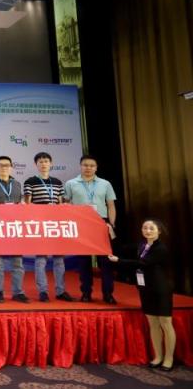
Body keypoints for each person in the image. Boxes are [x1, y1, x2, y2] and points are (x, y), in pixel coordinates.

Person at [108, 219, 175, 371]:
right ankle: (158, 356)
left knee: (165, 322)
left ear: (159, 231)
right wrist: (112, 234)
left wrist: (119, 261)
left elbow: (142, 263)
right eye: (145, 228)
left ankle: (169, 358)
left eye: (151, 228)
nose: (148, 231)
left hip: (161, 289)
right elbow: (121, 248)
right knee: (153, 323)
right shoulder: (142, 245)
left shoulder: (161, 248)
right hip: (145, 288)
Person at [65, 154, 118, 304]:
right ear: (80, 166)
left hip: (101, 223)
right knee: (84, 262)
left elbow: (111, 205)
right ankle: (86, 293)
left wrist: (111, 224)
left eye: (92, 165)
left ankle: (108, 294)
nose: (88, 168)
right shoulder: (70, 183)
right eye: (85, 165)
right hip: (81, 224)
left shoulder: (105, 184)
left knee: (106, 261)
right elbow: (66, 204)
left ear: (96, 168)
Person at [23, 152, 74, 302]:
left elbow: (61, 203)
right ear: (36, 164)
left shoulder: (57, 182)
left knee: (59, 259)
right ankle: (43, 291)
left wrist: (61, 208)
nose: (43, 164)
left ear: (51, 163)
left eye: (46, 161)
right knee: (41, 259)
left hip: (56, 225)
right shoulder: (30, 181)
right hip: (40, 225)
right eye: (40, 162)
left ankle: (60, 291)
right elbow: (27, 204)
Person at [0, 155, 29, 304]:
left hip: (14, 228)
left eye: (7, 165)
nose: (4, 168)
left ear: (11, 167)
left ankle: (18, 292)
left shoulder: (17, 184)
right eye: (1, 165)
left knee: (18, 263)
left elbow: (20, 203)